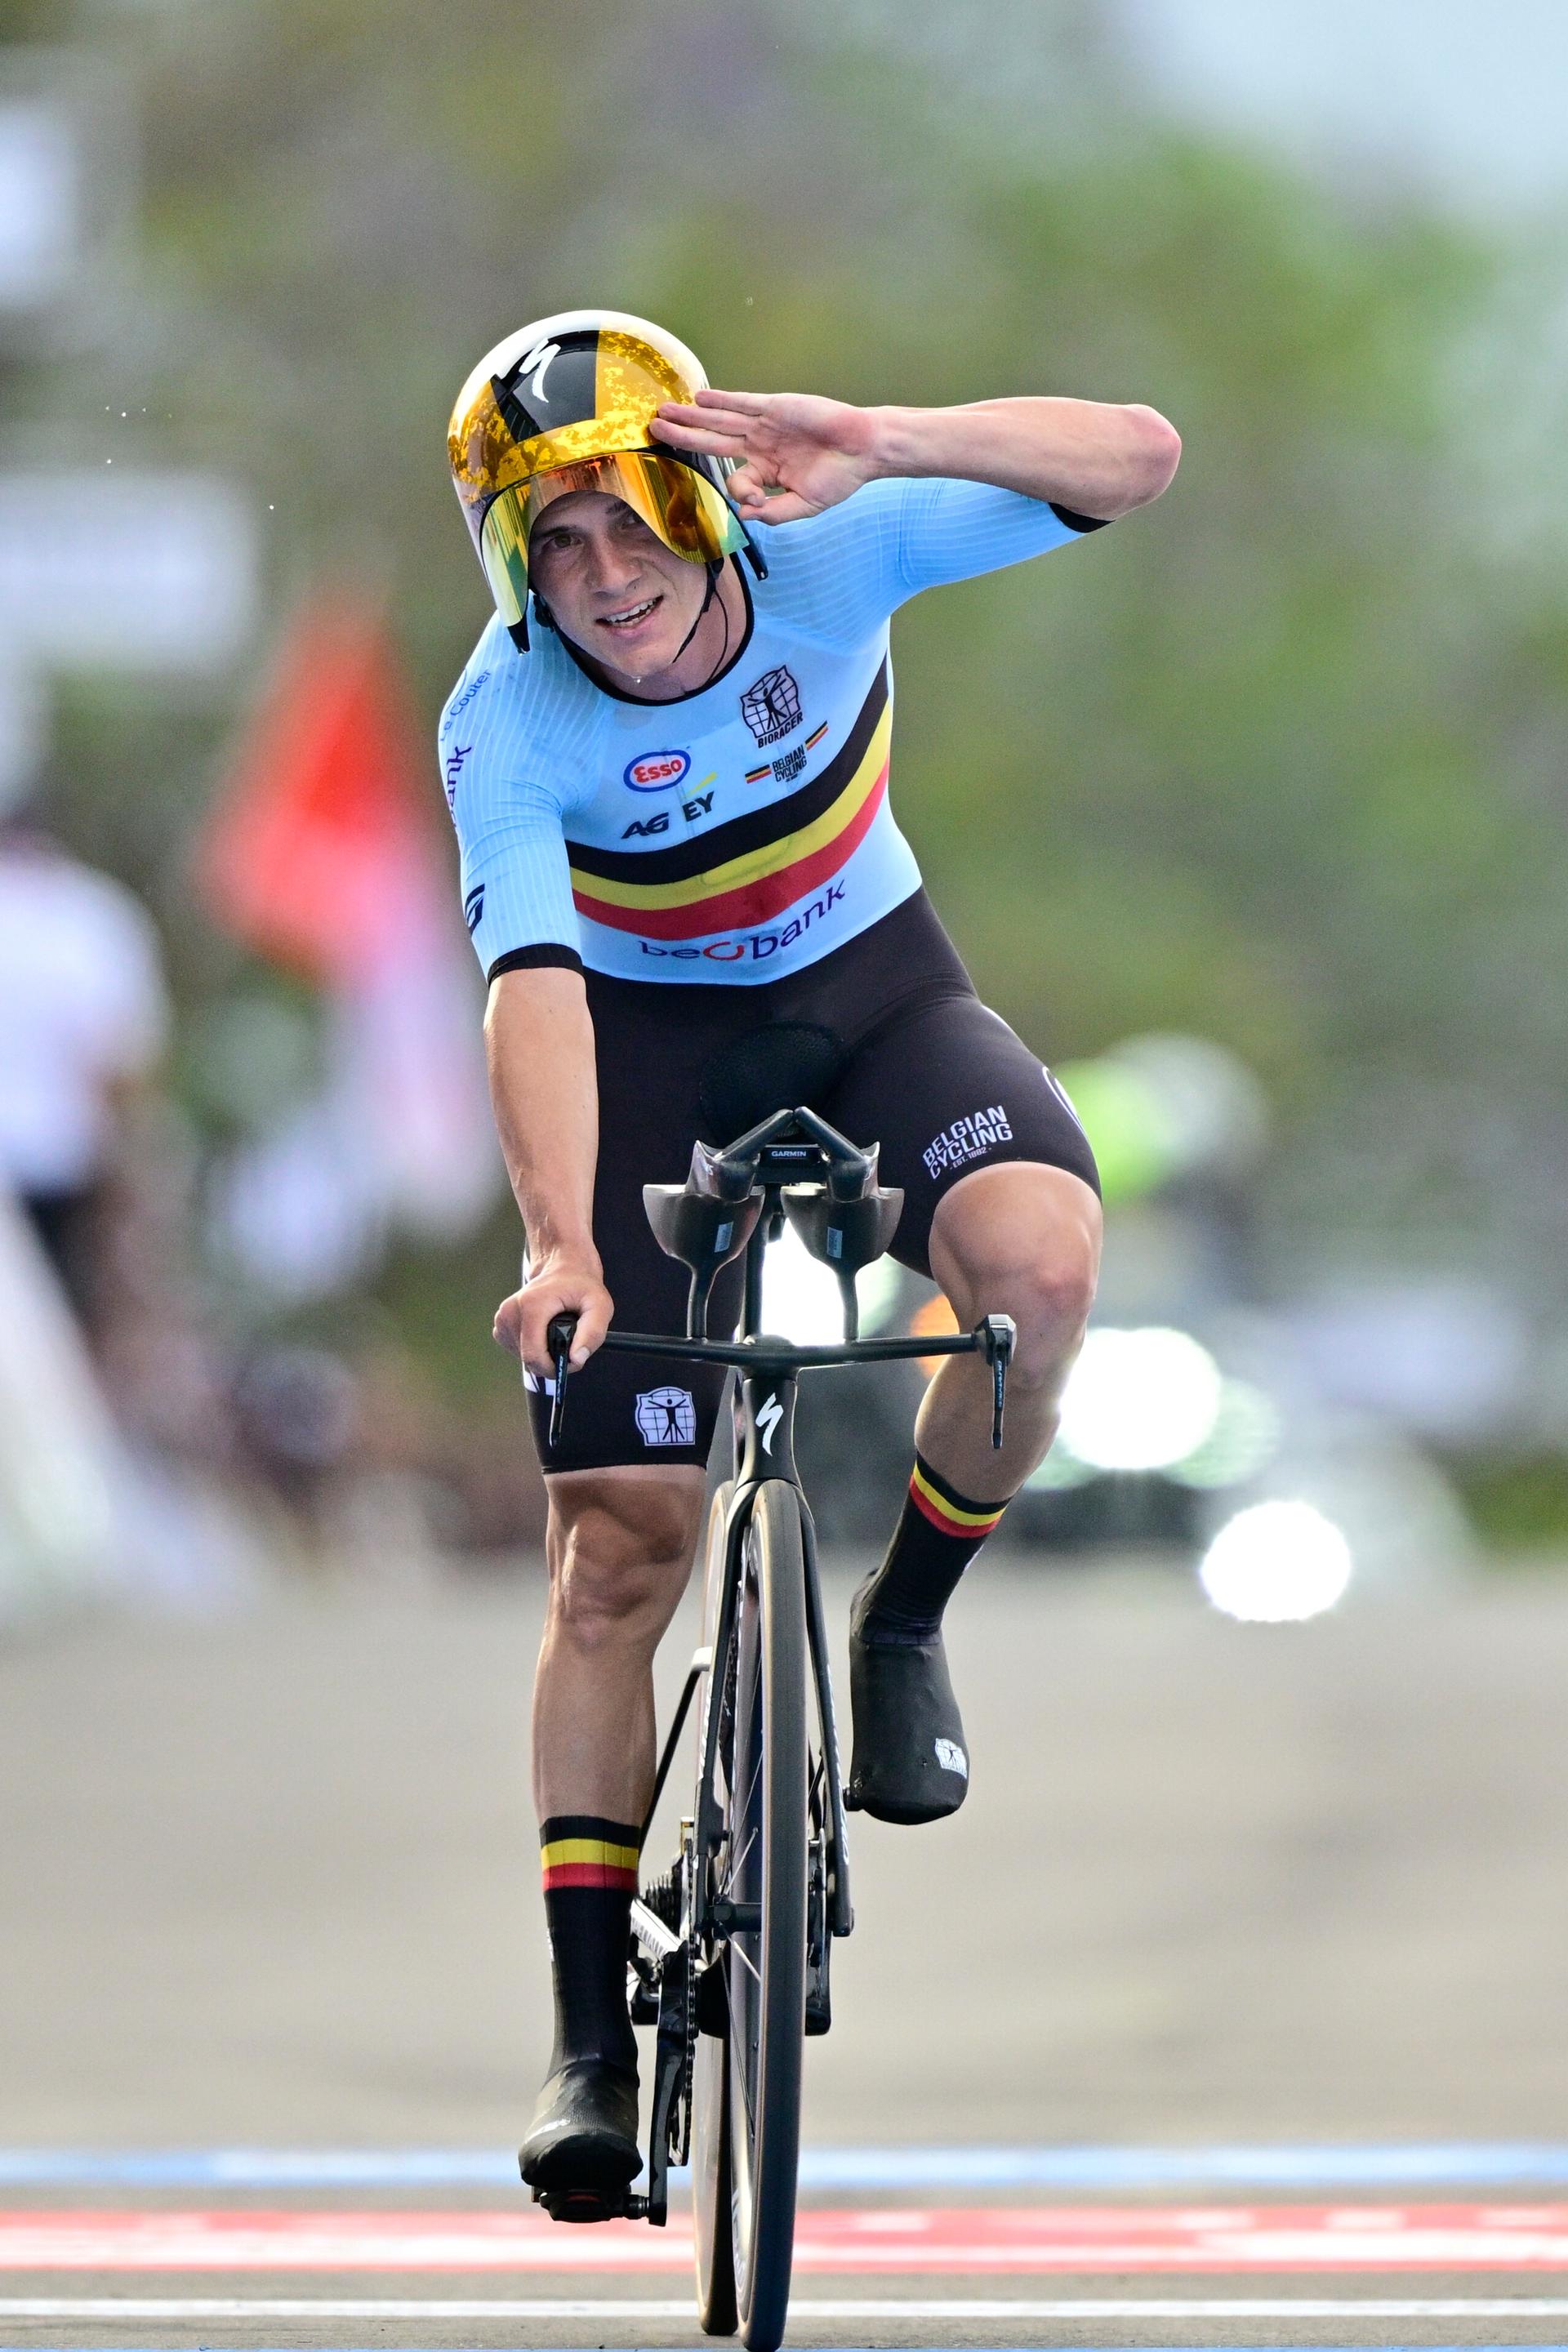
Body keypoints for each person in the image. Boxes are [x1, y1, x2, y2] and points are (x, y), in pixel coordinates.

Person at [440, 310, 1179, 2212]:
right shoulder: (505, 718)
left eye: (625, 527)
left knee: (1039, 1275)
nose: (600, 580)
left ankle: (906, 1618)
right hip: (641, 1054)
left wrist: (901, 436)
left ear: (698, 496)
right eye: (556, 545)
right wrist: (557, 1237)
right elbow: (531, 984)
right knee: (622, 1533)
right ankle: (592, 2039)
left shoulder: (834, 536)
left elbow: (1137, 453)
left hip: (873, 990)